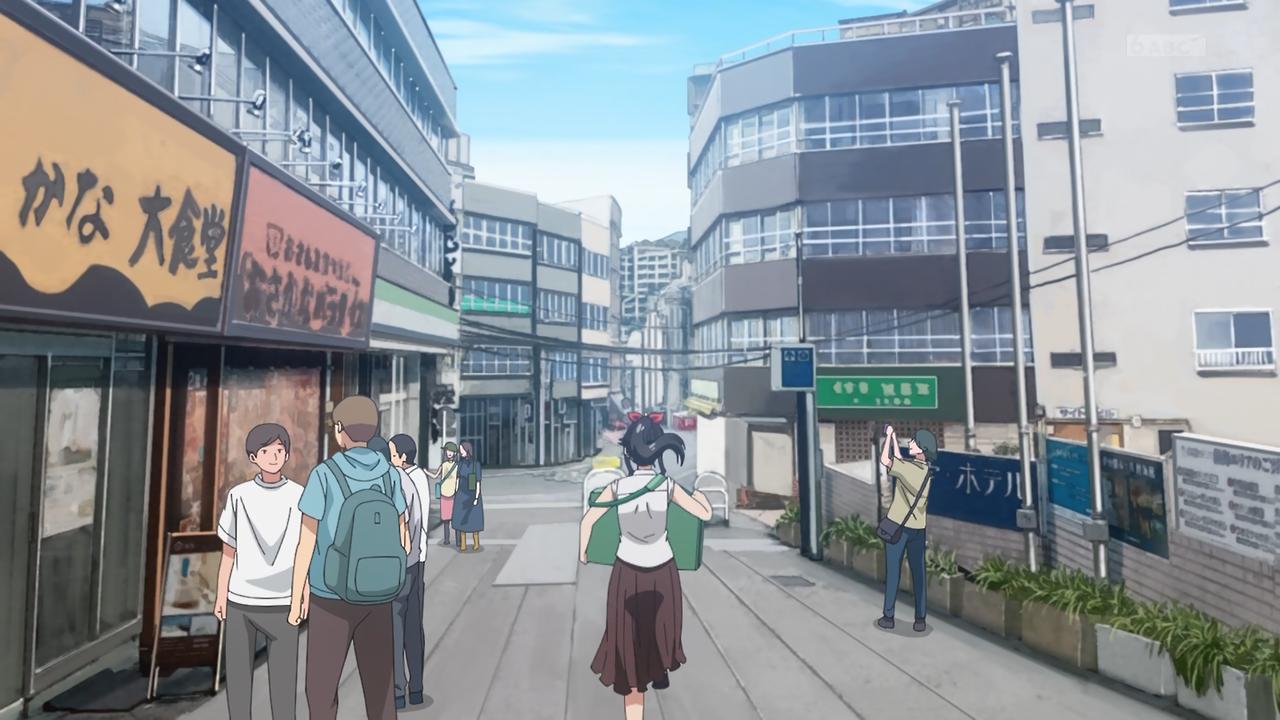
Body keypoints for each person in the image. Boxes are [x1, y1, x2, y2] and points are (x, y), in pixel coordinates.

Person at [579, 414, 713, 720]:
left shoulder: (617, 487)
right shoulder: (666, 486)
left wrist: (583, 552)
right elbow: (703, 514)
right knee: (656, 640)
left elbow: (588, 520)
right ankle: (658, 669)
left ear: (629, 452)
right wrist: (702, 497)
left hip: (627, 574)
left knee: (629, 656)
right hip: (662, 574)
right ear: (658, 451)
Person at [288, 396, 411, 720]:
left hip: (331, 596)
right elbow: (403, 537)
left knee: (322, 688)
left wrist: (298, 593)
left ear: (340, 429)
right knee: (380, 686)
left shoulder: (324, 474)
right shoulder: (389, 474)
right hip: (378, 594)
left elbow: (307, 540)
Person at [214, 423, 305, 720]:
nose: (274, 456)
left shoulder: (298, 496)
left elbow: (305, 551)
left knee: (283, 682)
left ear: (287, 454)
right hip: (241, 598)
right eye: (266, 451)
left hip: (283, 600)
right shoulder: (239, 496)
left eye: (279, 450)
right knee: (238, 680)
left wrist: (303, 594)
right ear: (253, 457)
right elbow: (229, 550)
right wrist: (221, 594)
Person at [877, 424, 937, 633]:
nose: (910, 442)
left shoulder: (909, 470)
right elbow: (899, 460)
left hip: (899, 528)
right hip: (918, 529)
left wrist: (887, 438)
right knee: (918, 574)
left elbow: (886, 460)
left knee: (893, 572)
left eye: (913, 441)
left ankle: (888, 617)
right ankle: (920, 619)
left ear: (921, 448)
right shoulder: (925, 470)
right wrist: (894, 438)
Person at [388, 434, 430, 710]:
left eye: (393, 454)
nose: (391, 459)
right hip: (416, 560)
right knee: (413, 626)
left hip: (403, 562)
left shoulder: (399, 481)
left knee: (396, 627)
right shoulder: (417, 480)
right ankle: (416, 687)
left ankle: (399, 692)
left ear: (403, 457)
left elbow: (411, 522)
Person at [451, 441, 484, 552]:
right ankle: (463, 544)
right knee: (461, 520)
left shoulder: (476, 465)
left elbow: (478, 482)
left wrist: (476, 497)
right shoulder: (460, 464)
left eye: (462, 450)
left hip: (472, 494)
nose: (461, 452)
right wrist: (455, 492)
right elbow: (457, 479)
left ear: (467, 450)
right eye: (460, 450)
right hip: (461, 494)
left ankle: (476, 542)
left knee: (474, 520)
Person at [429, 442, 460, 546]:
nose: (449, 453)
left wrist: (457, 491)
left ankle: (458, 540)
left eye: (451, 451)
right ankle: (447, 539)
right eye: (448, 451)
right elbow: (435, 476)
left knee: (455, 519)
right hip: (444, 495)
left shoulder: (457, 466)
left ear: (455, 453)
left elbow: (458, 480)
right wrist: (425, 472)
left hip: (453, 495)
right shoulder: (443, 465)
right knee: (446, 520)